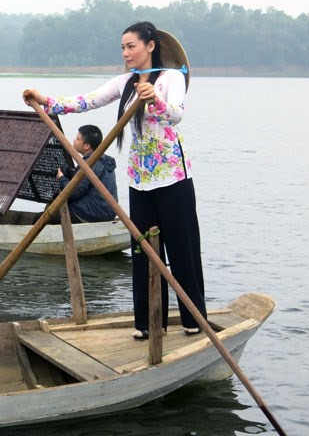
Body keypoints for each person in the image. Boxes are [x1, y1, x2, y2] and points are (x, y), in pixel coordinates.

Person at [25, 21, 206, 341]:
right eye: (122, 47)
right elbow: (86, 101)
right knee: (143, 252)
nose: (125, 53)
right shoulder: (125, 83)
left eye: (131, 46)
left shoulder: (171, 78)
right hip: (140, 181)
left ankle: (193, 320)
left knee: (182, 250)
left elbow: (176, 114)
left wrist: (155, 100)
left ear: (150, 46)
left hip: (172, 177)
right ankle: (149, 323)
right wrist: (45, 100)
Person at [56, 124, 117, 223]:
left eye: (78, 139)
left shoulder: (89, 163)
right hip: (107, 211)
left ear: (87, 146)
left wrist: (61, 178)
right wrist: (70, 171)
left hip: (91, 213)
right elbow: (84, 181)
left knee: (40, 218)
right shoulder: (102, 159)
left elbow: (73, 192)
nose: (74, 140)